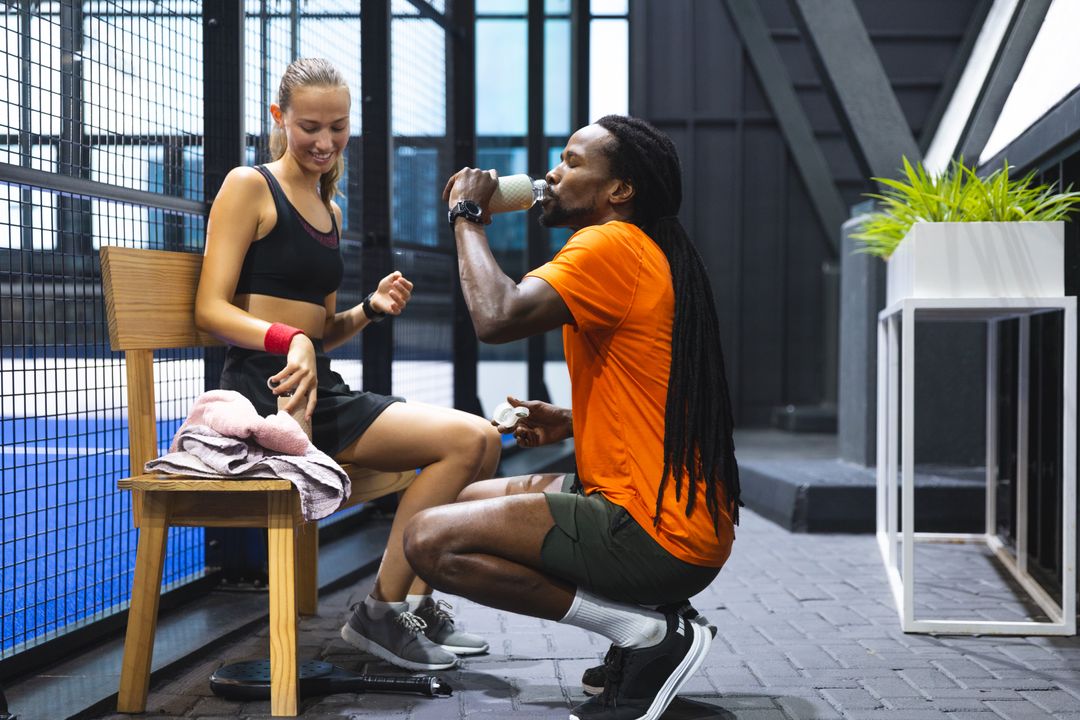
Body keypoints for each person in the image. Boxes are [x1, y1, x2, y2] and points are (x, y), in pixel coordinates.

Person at [404, 115, 742, 720]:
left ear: (620, 191)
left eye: (573, 162)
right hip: (675, 518)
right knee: (462, 500)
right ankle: (652, 617)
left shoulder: (608, 243)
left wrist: (467, 215)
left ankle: (645, 634)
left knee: (429, 541)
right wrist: (568, 420)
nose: (553, 174)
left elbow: (497, 316)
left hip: (656, 532)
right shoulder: (641, 249)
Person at [194, 57, 501, 672]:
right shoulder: (249, 185)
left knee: (482, 443)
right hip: (267, 393)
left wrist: (367, 310)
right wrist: (289, 339)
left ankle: (408, 605)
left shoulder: (329, 212)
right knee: (470, 440)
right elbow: (209, 311)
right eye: (310, 126)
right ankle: (382, 616)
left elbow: (321, 333)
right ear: (279, 119)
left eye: (338, 128)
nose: (325, 142)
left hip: (319, 391)